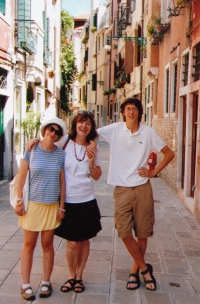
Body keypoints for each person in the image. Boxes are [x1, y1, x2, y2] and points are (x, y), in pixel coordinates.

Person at [97, 97, 174, 291]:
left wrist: (154, 172)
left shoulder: (148, 133)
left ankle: (135, 271)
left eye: (134, 109)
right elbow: (86, 133)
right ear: (123, 112)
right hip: (121, 188)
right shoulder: (114, 130)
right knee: (124, 232)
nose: (131, 112)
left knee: (142, 232)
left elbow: (169, 153)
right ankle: (144, 268)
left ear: (139, 112)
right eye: (128, 109)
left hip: (142, 187)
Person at [27, 110, 102, 294]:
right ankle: (70, 274)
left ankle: (79, 276)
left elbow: (97, 176)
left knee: (84, 241)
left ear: (91, 128)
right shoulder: (64, 143)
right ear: (75, 124)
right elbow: (47, 141)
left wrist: (91, 162)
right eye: (80, 122)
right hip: (68, 200)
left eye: (88, 123)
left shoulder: (93, 148)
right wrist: (34, 141)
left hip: (87, 199)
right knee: (72, 243)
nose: (83, 126)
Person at [15, 117, 66, 301]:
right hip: (33, 206)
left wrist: (62, 207)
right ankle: (25, 284)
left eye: (57, 131)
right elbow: (21, 177)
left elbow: (62, 182)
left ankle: (46, 281)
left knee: (47, 245)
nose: (53, 133)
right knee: (29, 246)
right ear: (44, 130)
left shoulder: (61, 154)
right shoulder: (31, 150)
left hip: (51, 205)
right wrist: (19, 200)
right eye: (50, 129)